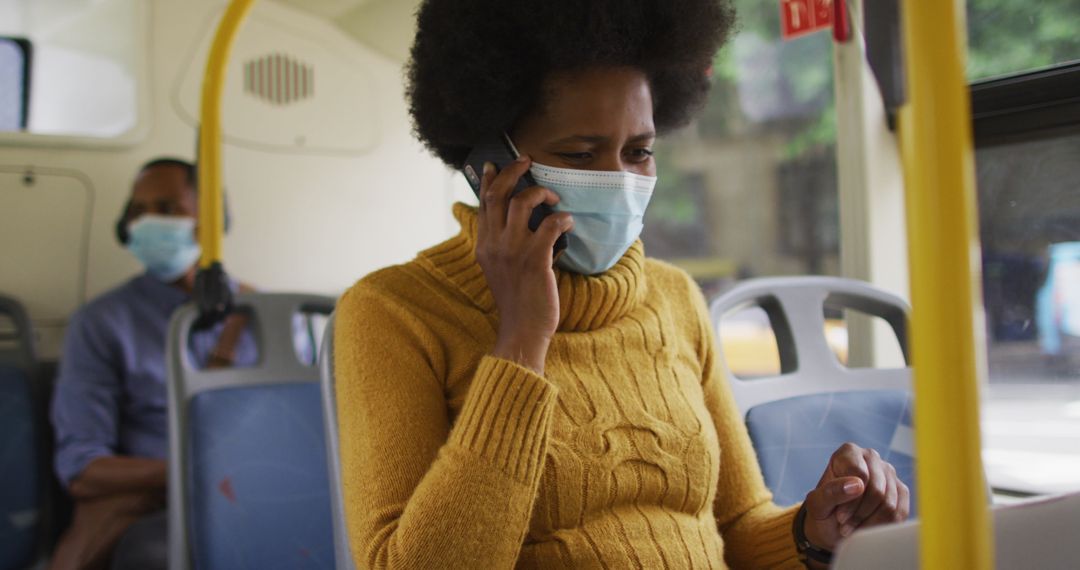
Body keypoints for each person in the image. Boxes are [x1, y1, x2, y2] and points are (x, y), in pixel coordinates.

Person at [334, 1, 910, 568]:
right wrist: (522, 337)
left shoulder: (675, 299)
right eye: (580, 154)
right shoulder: (393, 314)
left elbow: (736, 527)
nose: (618, 180)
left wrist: (814, 532)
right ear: (488, 163)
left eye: (638, 153)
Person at [49, 158, 258, 570]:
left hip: (263, 493)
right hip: (163, 507)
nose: (148, 223)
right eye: (137, 212)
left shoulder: (266, 315)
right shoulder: (103, 323)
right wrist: (191, 472)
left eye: (167, 209)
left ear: (212, 221)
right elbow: (82, 468)